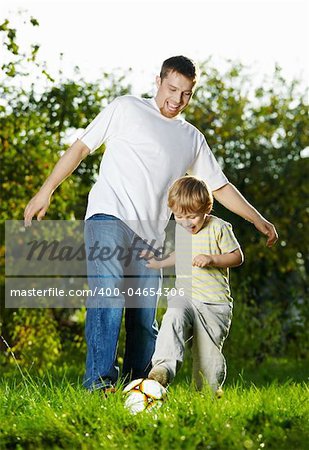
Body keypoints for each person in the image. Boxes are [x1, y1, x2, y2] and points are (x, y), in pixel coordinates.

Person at [24, 56, 277, 392]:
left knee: (144, 320)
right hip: (108, 215)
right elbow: (81, 148)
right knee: (110, 296)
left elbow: (219, 186)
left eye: (186, 93)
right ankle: (99, 383)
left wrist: (256, 219)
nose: (177, 99)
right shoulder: (126, 108)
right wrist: (46, 191)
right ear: (158, 81)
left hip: (151, 236)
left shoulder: (191, 138)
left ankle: (139, 387)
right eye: (172, 88)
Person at [145, 176, 243, 394]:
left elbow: (237, 257)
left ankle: (205, 394)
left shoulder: (219, 228)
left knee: (206, 356)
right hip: (186, 296)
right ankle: (162, 369)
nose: (186, 222)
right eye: (179, 217)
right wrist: (160, 261)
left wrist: (212, 259)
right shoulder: (183, 230)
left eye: (191, 217)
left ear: (206, 209)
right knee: (173, 315)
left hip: (214, 304)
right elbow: (182, 254)